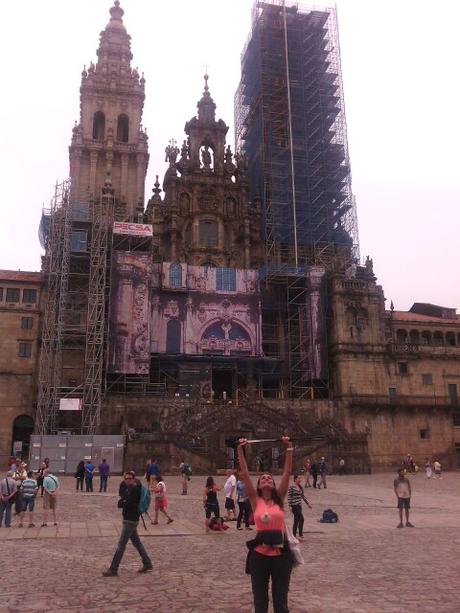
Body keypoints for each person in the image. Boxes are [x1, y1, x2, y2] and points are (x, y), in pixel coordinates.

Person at [238, 436, 294, 613]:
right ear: (259, 485)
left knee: (281, 601)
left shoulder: (279, 499)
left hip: (281, 556)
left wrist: (289, 448)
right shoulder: (255, 500)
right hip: (259, 556)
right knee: (260, 602)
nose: (267, 479)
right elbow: (245, 474)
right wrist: (240, 449)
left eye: (270, 478)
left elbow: (286, 473)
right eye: (263, 478)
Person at [103, 471, 152, 576]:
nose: (128, 480)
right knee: (137, 543)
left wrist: (123, 502)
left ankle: (113, 569)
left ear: (133, 479)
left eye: (130, 478)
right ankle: (147, 564)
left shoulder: (134, 490)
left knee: (121, 545)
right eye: (126, 478)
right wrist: (123, 501)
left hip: (130, 520)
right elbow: (124, 501)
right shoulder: (131, 488)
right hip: (132, 519)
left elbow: (127, 503)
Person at [287, 474, 311, 542]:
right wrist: (289, 506)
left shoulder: (300, 487)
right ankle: (299, 534)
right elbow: (289, 497)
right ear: (295, 479)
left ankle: (295, 535)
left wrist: (308, 504)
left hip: (299, 506)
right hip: (294, 506)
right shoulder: (291, 487)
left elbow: (303, 496)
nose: (300, 479)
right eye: (298, 478)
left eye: (300, 478)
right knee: (300, 519)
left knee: (297, 520)